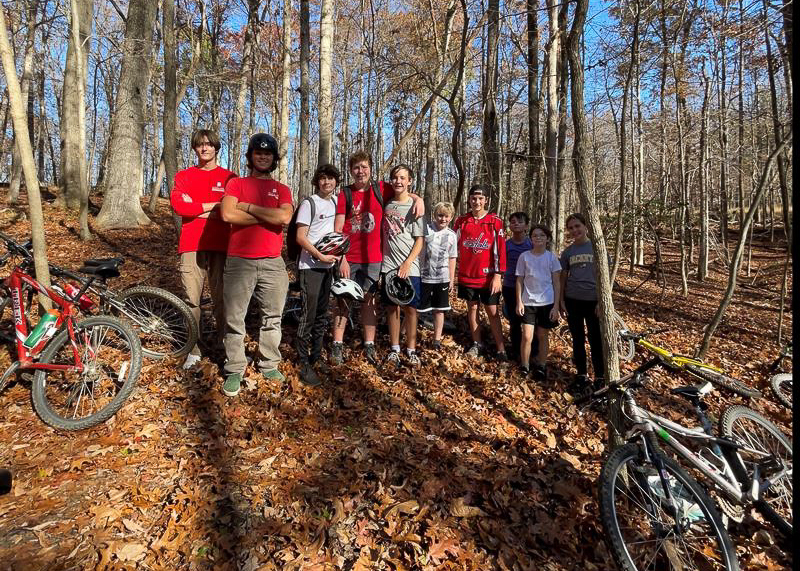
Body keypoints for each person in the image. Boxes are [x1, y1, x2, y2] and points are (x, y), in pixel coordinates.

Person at [331, 151, 423, 365]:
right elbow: (337, 228)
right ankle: (337, 344)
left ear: (371, 169)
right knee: (342, 300)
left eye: (364, 167)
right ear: (351, 171)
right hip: (349, 257)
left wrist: (420, 199)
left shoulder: (381, 188)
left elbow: (406, 191)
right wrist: (341, 257)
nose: (360, 171)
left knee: (369, 300)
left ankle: (369, 344)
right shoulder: (345, 194)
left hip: (374, 258)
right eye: (356, 168)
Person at [219, 133, 293, 397]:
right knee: (234, 318)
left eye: (268, 154)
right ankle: (235, 369)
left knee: (272, 317)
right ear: (250, 156)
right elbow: (228, 214)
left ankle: (268, 363)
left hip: (273, 262)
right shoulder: (236, 184)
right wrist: (267, 217)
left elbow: (284, 217)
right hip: (239, 261)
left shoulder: (282, 189)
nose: (263, 157)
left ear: (273, 159)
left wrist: (247, 207)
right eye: (258, 153)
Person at [170, 129, 236, 369]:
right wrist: (213, 206)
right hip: (191, 245)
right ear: (195, 149)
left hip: (221, 244)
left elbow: (230, 210)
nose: (205, 148)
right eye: (200, 145)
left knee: (223, 299)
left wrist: (197, 207)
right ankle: (194, 348)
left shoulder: (230, 178)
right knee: (192, 300)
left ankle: (225, 346)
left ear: (216, 148)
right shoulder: (184, 176)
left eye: (209, 144)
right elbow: (180, 207)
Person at [293, 164, 341, 387]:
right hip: (309, 267)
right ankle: (303, 362)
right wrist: (319, 256)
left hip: (327, 266)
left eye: (330, 179)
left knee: (322, 314)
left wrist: (334, 256)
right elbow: (300, 237)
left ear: (335, 181)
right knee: (308, 315)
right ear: (316, 181)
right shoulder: (308, 203)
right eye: (322, 179)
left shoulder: (335, 202)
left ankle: (316, 356)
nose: (326, 183)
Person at [453, 184, 507, 361]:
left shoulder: (494, 222)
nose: (477, 202)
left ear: (486, 201)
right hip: (468, 275)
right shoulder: (462, 221)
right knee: (472, 308)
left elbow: (500, 250)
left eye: (480, 198)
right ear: (469, 200)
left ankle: (500, 349)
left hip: (488, 277)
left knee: (492, 311)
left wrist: (498, 275)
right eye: (473, 198)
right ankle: (477, 344)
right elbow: (451, 245)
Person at [380, 164, 426, 368]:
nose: (398, 181)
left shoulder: (415, 207)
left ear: (410, 181)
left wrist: (407, 262)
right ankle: (394, 348)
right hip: (388, 264)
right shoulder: (386, 204)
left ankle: (412, 349)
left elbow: (420, 240)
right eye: (395, 177)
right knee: (391, 308)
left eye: (402, 178)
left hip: (410, 266)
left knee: (411, 309)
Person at [559, 213, 605, 392]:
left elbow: (605, 278)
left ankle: (600, 376)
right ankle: (581, 375)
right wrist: (561, 300)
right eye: (570, 228)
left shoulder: (597, 248)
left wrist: (602, 302)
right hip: (573, 301)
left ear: (586, 226)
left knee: (595, 339)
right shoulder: (568, 252)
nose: (574, 230)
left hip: (593, 302)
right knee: (577, 339)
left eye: (577, 226)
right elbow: (562, 277)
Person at [515, 224, 561, 378]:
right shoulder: (524, 257)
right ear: (531, 239)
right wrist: (519, 302)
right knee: (527, 336)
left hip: (547, 303)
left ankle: (541, 365)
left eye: (542, 235)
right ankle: (525, 365)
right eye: (535, 235)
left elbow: (557, 283)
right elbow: (519, 280)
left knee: (542, 335)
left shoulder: (551, 258)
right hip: (528, 302)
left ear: (547, 239)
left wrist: (556, 306)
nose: (538, 238)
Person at [418, 201, 457, 350]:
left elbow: (452, 258)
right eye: (440, 215)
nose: (443, 219)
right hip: (424, 276)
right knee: (416, 309)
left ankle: (436, 340)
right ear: (435, 216)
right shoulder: (427, 230)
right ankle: (405, 334)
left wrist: (451, 279)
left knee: (439, 310)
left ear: (451, 217)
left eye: (446, 216)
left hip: (442, 278)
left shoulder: (452, 235)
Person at [502, 212, 532, 362]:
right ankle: (515, 350)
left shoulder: (531, 244)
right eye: (513, 222)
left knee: (530, 321)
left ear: (526, 226)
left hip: (530, 288)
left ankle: (532, 352)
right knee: (514, 320)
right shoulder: (506, 245)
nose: (516, 224)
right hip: (509, 286)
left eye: (520, 222)